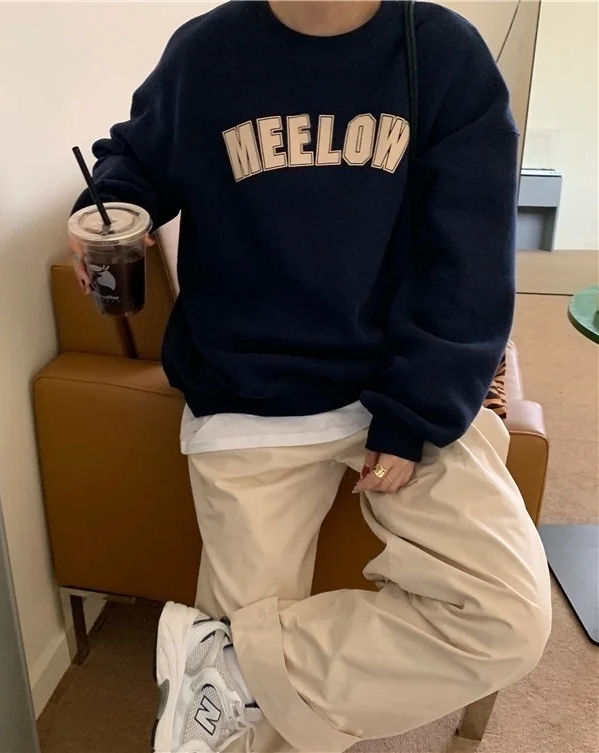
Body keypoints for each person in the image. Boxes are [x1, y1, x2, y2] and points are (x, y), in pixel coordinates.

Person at [72, 2, 552, 751]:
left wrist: (415, 412)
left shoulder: (445, 56)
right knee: (236, 733)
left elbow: (471, 261)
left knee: (508, 618)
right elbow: (135, 157)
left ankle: (233, 664)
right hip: (247, 397)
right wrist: (112, 205)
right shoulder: (208, 53)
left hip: (401, 384)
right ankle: (237, 675)